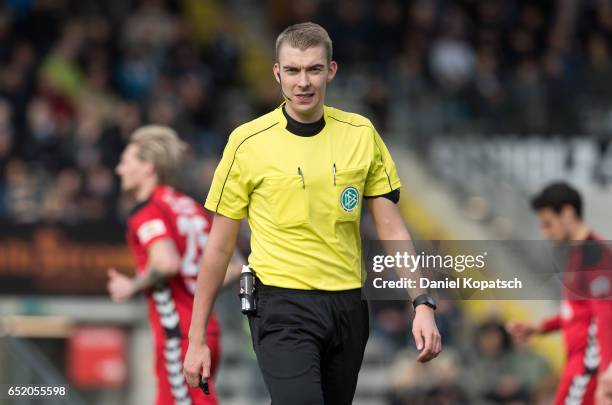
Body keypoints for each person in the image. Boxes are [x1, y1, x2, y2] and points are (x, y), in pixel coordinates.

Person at [183, 22, 441, 404]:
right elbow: (218, 248)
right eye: (292, 70)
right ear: (277, 73)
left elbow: (392, 228)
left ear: (331, 71)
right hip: (280, 306)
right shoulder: (247, 142)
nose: (303, 82)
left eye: (313, 69)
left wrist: (422, 303)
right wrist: (197, 337)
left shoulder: (361, 134)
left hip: (349, 306)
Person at [107, 125, 242, 405]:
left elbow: (166, 263)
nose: (119, 169)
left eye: (125, 162)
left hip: (178, 335)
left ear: (148, 168)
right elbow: (235, 265)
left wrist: (131, 286)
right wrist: (197, 288)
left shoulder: (148, 211)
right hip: (207, 331)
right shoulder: (189, 206)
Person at [507, 182, 612, 405]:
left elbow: (605, 317)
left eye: (548, 224)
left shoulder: (595, 256)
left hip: (589, 368)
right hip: (580, 365)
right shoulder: (576, 255)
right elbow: (579, 313)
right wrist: (541, 327)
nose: (545, 232)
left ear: (567, 213)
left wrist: (606, 373)